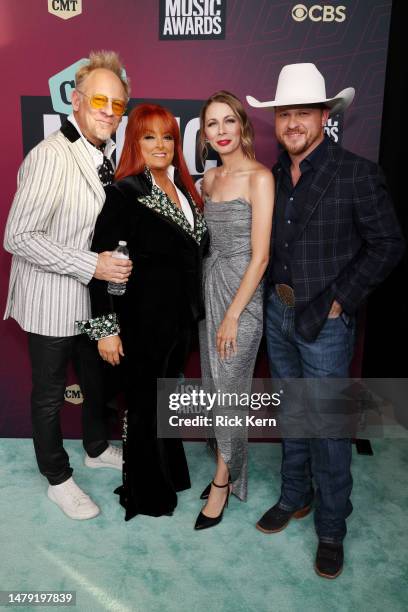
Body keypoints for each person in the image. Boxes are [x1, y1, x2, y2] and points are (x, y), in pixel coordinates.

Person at [247, 63, 405, 578]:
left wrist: (341, 300)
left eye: (303, 113)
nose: (292, 122)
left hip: (327, 321)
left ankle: (332, 526)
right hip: (278, 311)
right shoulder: (270, 177)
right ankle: (296, 495)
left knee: (331, 427)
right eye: (284, 113)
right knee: (293, 413)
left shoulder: (356, 172)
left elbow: (388, 245)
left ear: (323, 116)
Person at [3, 50, 133, 520]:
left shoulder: (105, 156)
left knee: (96, 380)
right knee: (51, 392)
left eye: (118, 104)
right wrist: (90, 265)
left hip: (90, 302)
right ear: (75, 101)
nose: (108, 110)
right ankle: (57, 478)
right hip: (50, 299)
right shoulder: (51, 155)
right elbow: (17, 236)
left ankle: (96, 448)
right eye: (99, 99)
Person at [78, 103, 209, 520]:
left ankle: (169, 475)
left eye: (167, 136)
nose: (160, 145)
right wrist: (106, 330)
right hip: (141, 321)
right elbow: (103, 266)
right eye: (148, 136)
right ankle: (147, 494)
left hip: (179, 322)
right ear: (134, 141)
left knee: (165, 401)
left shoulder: (184, 189)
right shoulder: (124, 193)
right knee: (144, 405)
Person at [194, 91, 274, 530]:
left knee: (230, 390)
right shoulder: (209, 180)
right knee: (214, 384)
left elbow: (260, 257)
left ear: (241, 125)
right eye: (212, 124)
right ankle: (223, 465)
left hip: (243, 296)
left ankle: (223, 483)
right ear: (204, 134)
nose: (221, 131)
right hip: (211, 290)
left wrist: (232, 315)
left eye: (228, 122)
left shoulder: (260, 178)